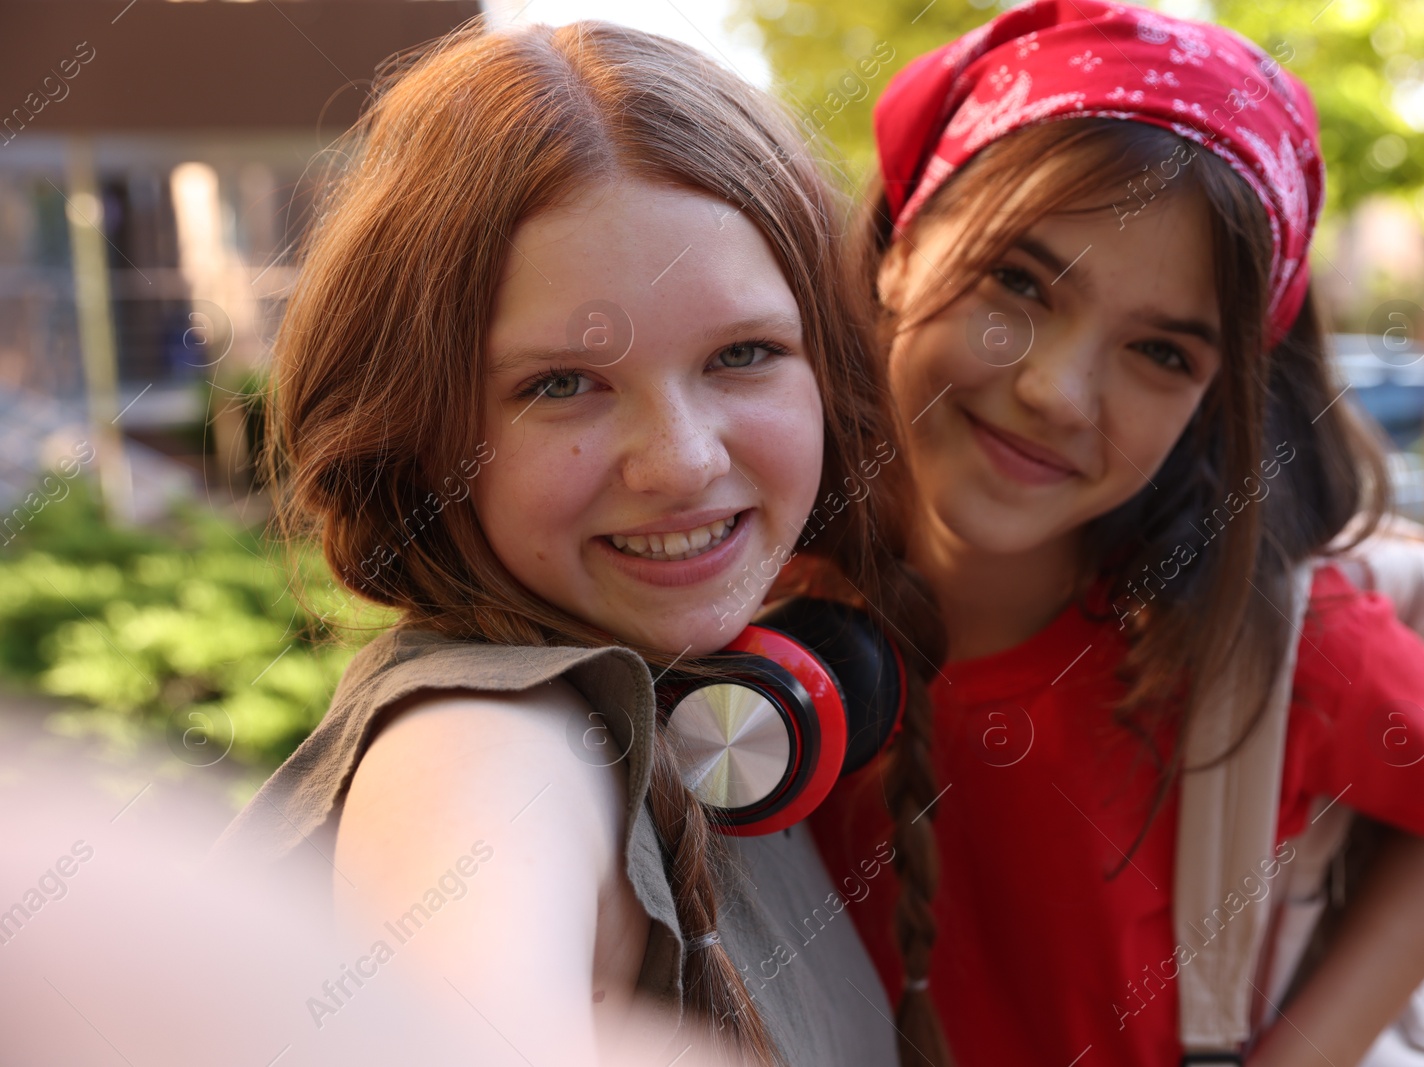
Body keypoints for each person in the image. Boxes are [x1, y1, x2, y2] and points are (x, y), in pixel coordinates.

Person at [211, 20, 947, 1067]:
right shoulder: (486, 752)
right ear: (420, 434)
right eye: (562, 383)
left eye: (743, 353)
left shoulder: (706, 702)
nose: (682, 460)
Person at [808, 2, 1424, 1065]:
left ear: (1215, 398)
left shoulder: (1262, 644)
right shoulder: (745, 577)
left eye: (1160, 353)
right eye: (1016, 283)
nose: (1054, 389)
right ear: (901, 245)